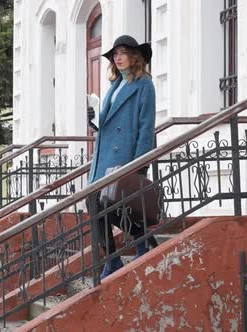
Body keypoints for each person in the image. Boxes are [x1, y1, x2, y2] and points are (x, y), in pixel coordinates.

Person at [86, 35, 156, 279]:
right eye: (114, 54)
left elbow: (146, 126)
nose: (117, 57)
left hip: (126, 158)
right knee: (94, 205)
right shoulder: (114, 86)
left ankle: (142, 242)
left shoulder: (144, 85)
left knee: (117, 206)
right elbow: (104, 123)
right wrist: (93, 117)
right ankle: (112, 258)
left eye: (122, 52)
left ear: (134, 56)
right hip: (104, 159)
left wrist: (139, 163)